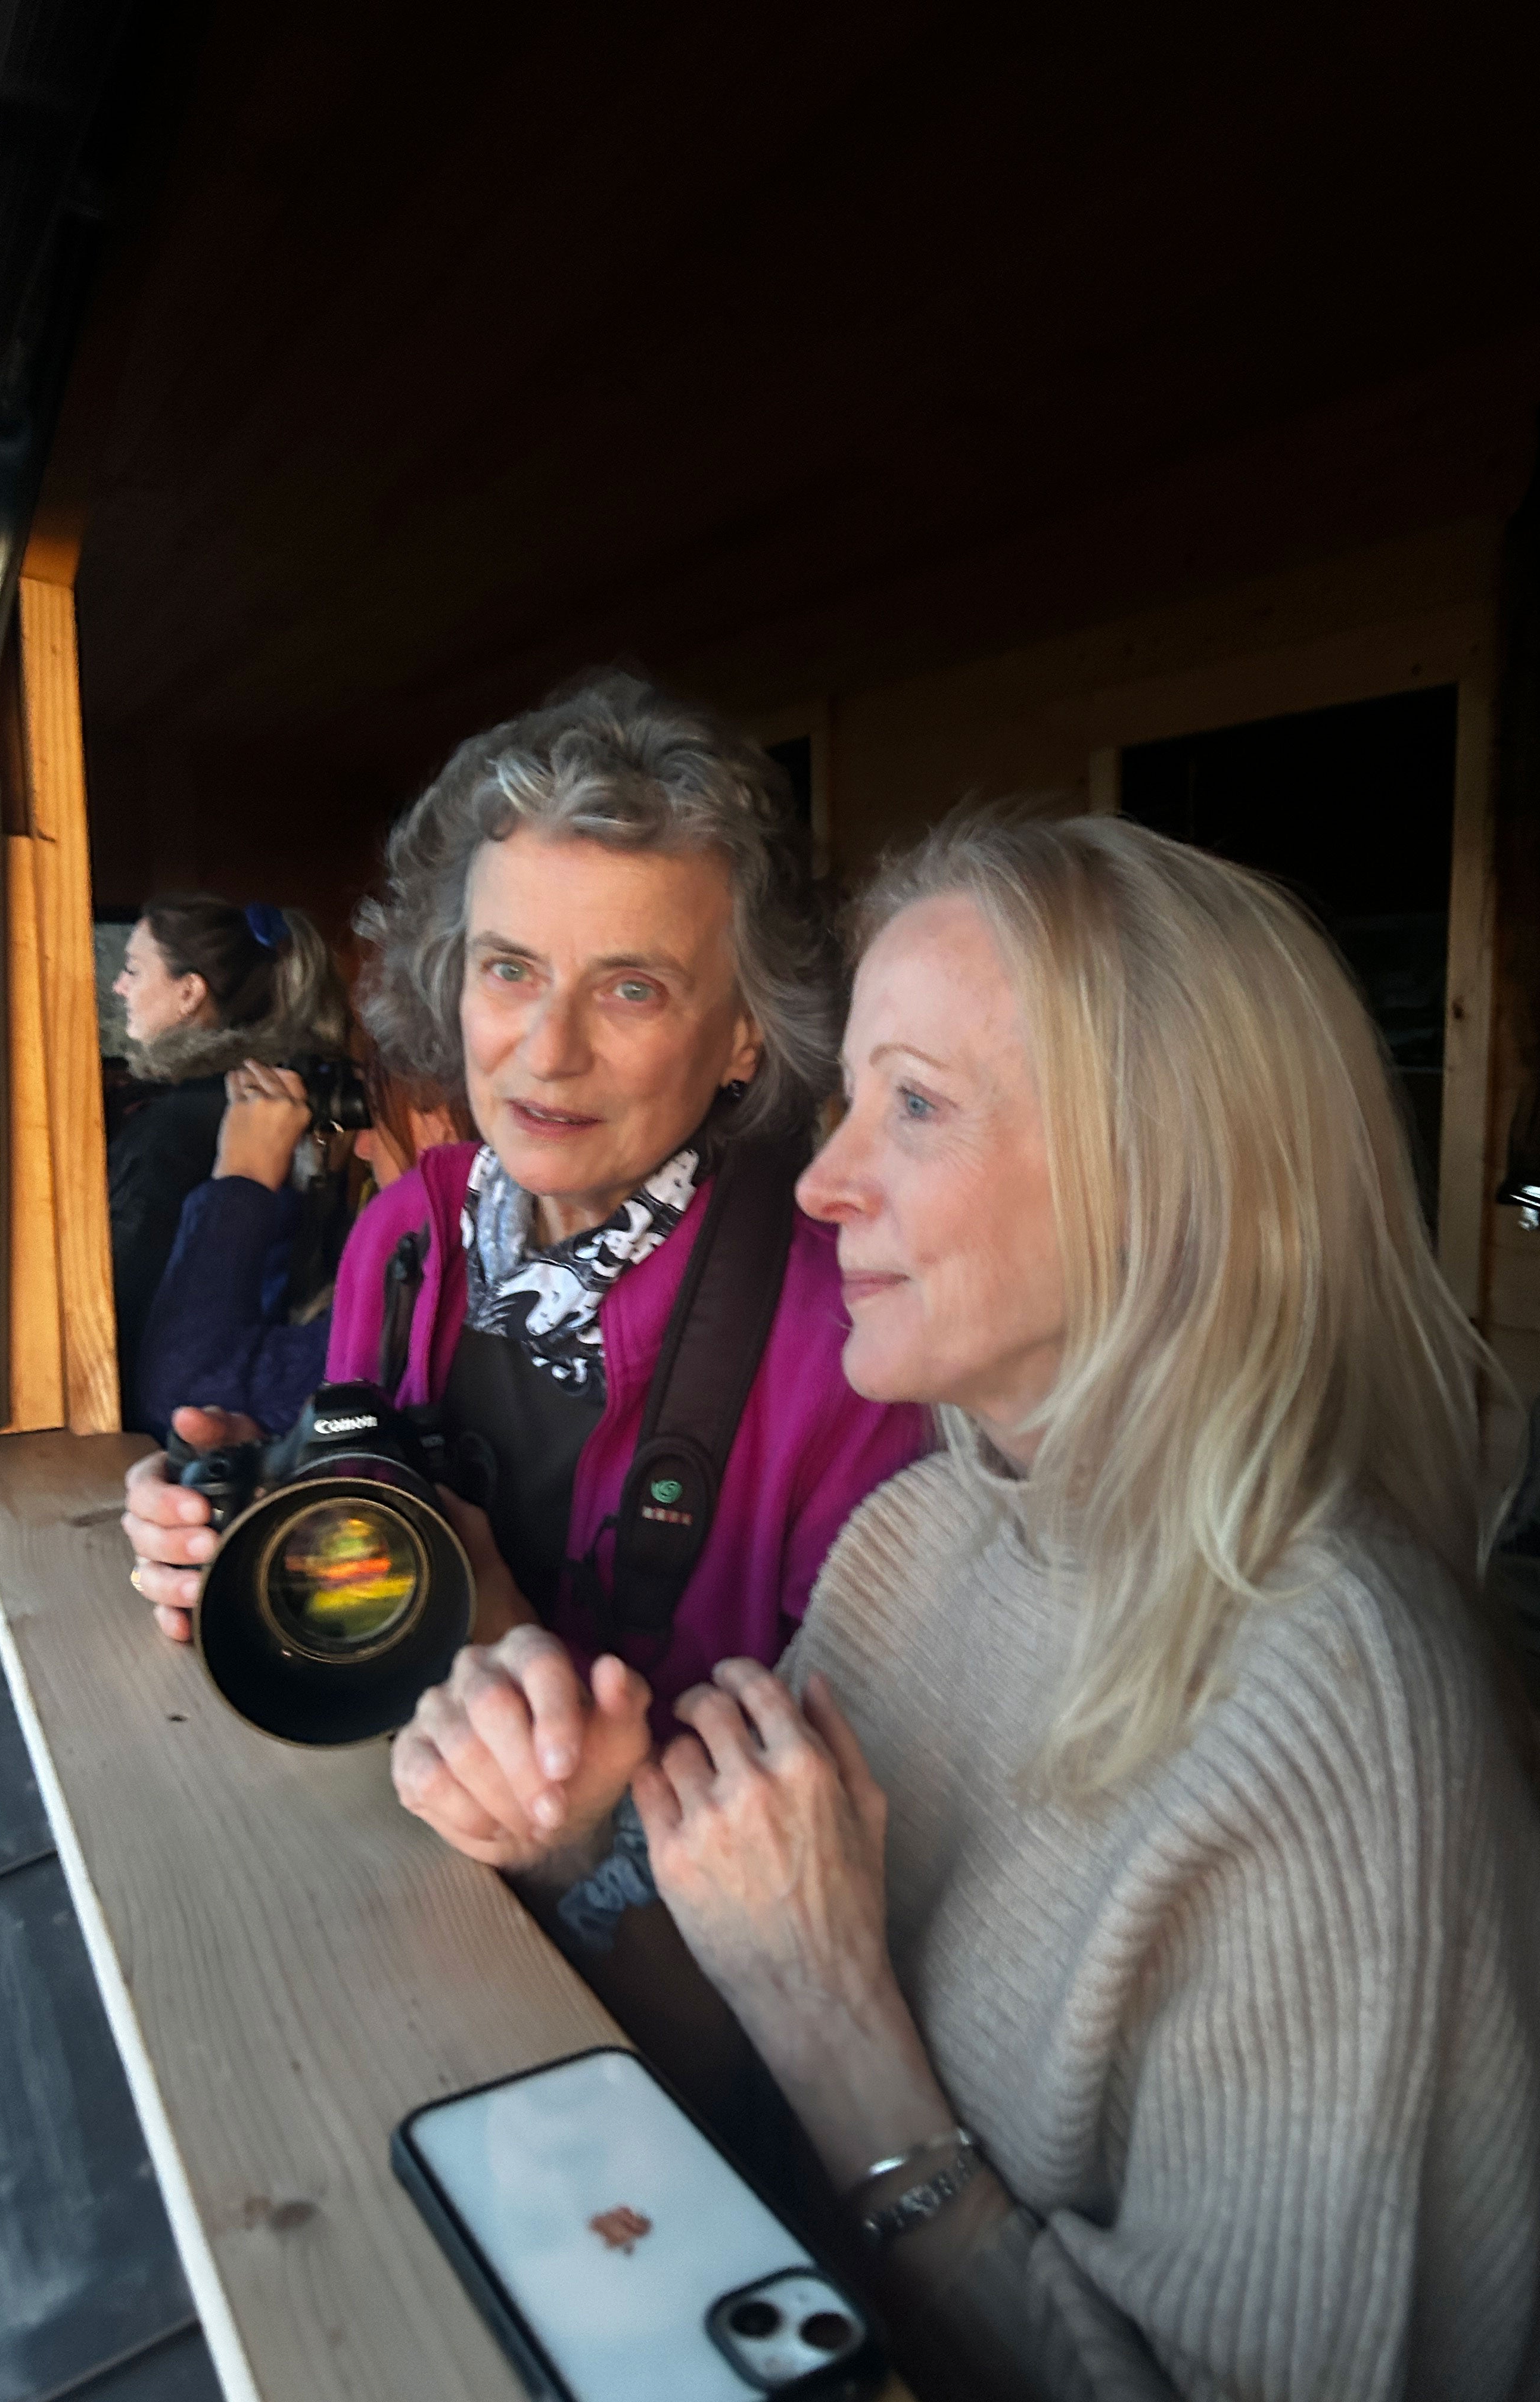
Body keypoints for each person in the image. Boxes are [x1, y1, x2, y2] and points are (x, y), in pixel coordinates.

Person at [410, 811, 1540, 2401]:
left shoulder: (1328, 1692)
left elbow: (810, 2033)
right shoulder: (922, 1536)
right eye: (851, 1097)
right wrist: (579, 1842)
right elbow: (737, 2050)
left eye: (913, 1104)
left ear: (1164, 1182)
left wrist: (839, 2024)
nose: (828, 1178)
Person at [120, 674, 931, 1760]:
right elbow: (355, 1537)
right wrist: (256, 1522)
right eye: (509, 969)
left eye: (629, 987)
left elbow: (828, 1831)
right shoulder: (407, 1227)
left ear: (745, 1032)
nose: (548, 1051)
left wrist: (508, 1639)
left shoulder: (852, 1351)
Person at [136, 1052, 471, 1439]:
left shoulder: (436, 1271)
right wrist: (302, 1176)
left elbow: (185, 1397)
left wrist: (244, 1177)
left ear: (441, 1119)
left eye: (379, 1112)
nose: (362, 1146)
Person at [107, 895, 350, 1429]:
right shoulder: (269, 1099)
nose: (119, 987)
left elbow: (118, 1306)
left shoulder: (176, 1127)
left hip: (174, 1419)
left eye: (132, 970)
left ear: (190, 992)